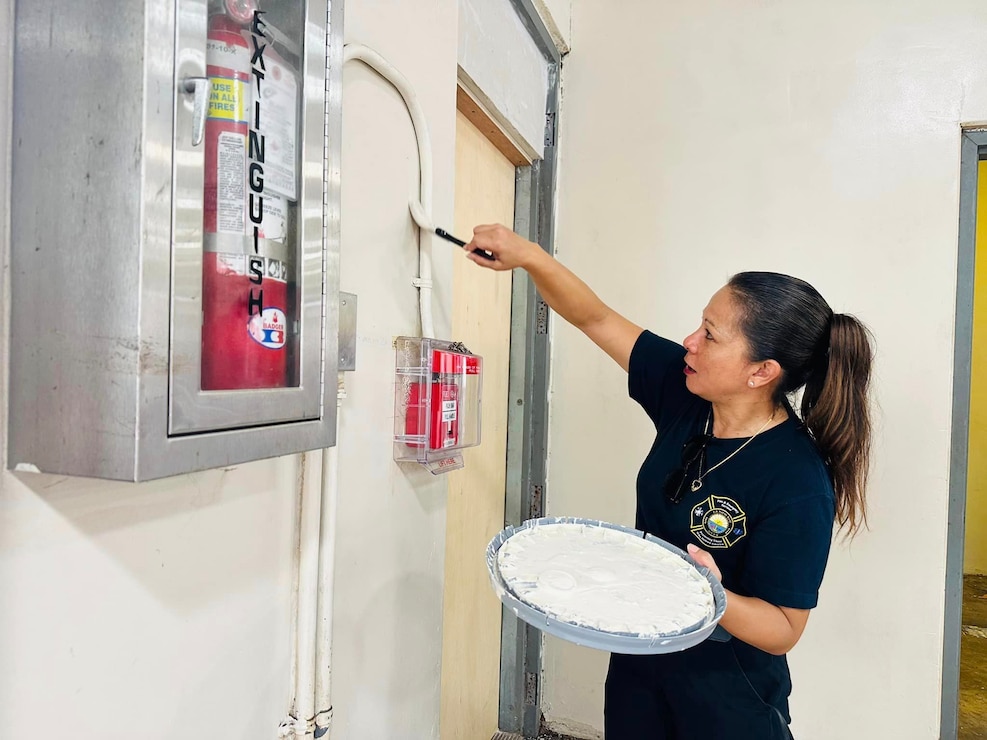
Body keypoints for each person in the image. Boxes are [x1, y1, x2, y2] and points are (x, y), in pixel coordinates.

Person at [464, 224, 873, 740]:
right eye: (700, 325)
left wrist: (711, 593)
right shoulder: (688, 396)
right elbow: (595, 317)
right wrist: (528, 257)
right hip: (640, 660)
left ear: (760, 371)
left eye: (710, 335)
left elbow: (783, 630)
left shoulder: (796, 477)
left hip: (727, 694)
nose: (690, 342)